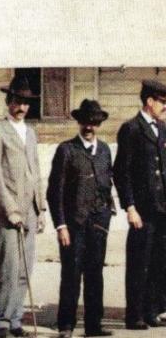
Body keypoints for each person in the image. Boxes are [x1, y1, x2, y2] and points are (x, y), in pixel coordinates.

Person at [47, 99, 115, 338]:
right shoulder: (66, 150)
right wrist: (61, 225)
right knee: (71, 274)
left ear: (99, 124)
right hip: (73, 225)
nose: (89, 127)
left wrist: (108, 213)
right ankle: (66, 326)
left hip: (98, 223)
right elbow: (54, 191)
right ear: (79, 122)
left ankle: (93, 326)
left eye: (94, 123)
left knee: (95, 275)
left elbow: (107, 184)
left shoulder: (105, 150)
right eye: (85, 122)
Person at [0, 77, 45, 338]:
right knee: (9, 268)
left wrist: (40, 210)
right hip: (10, 211)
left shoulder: (30, 133)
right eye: (17, 102)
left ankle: (17, 319)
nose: (21, 107)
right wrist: (9, 208)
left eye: (25, 103)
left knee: (25, 269)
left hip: (30, 209)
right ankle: (2, 321)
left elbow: (36, 172)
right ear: (9, 102)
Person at [113, 78, 166, 331]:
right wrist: (130, 207)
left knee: (158, 262)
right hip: (142, 210)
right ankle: (134, 315)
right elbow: (121, 172)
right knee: (138, 263)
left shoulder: (163, 129)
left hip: (162, 209)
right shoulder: (131, 129)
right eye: (163, 102)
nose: (165, 107)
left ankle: (152, 310)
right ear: (149, 101)